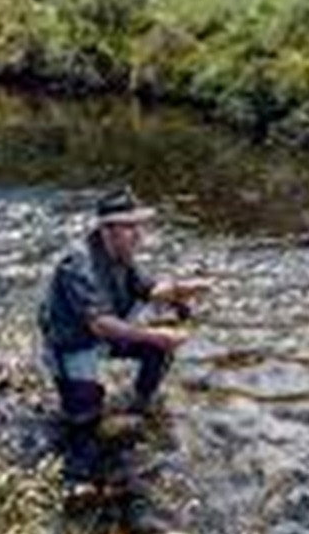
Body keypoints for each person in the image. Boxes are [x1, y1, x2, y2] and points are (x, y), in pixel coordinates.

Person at [38, 187, 209, 501]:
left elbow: (147, 288)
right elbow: (100, 324)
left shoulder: (121, 254)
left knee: (158, 351)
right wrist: (156, 335)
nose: (139, 235)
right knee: (83, 418)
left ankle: (139, 407)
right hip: (73, 343)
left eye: (138, 226)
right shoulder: (77, 264)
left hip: (106, 333)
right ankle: (77, 482)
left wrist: (183, 288)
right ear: (107, 230)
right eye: (130, 227)